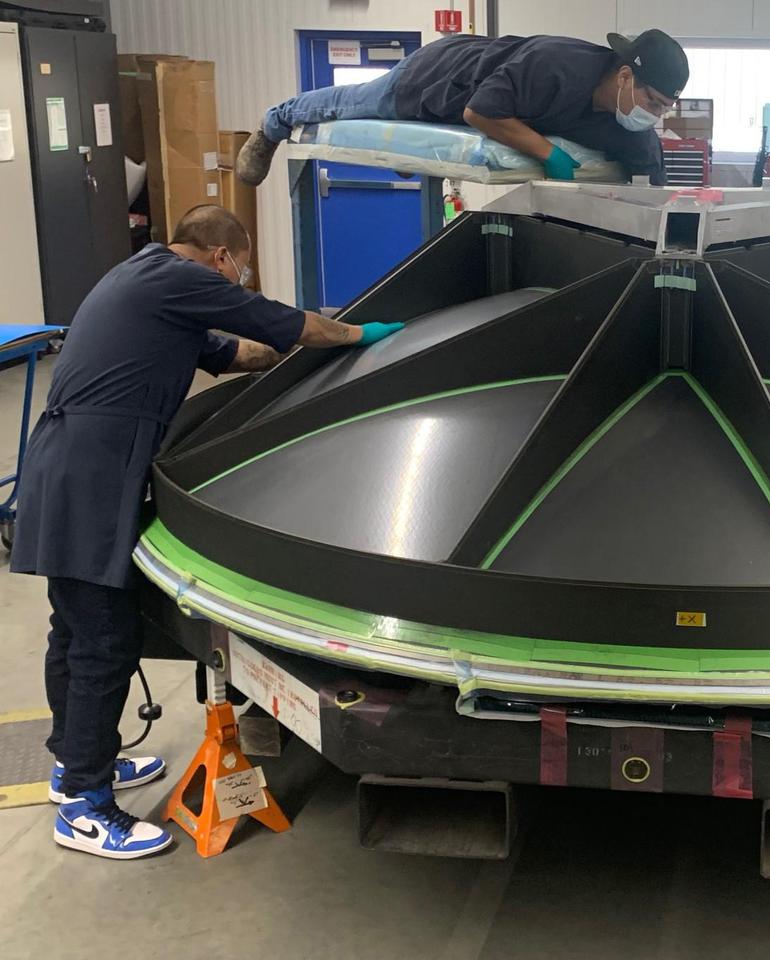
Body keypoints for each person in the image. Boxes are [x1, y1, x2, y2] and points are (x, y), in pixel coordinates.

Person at [9, 205, 404, 861]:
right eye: (239, 266)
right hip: (89, 472)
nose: (239, 277)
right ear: (221, 256)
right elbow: (289, 323)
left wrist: (297, 367)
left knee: (74, 628)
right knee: (101, 637)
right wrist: (359, 334)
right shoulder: (178, 278)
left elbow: (245, 351)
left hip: (71, 463)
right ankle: (83, 805)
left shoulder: (151, 289)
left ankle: (75, 763)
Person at [237, 29, 688, 187]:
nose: (654, 115)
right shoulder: (556, 66)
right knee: (358, 102)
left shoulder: (628, 126)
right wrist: (547, 153)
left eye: (665, 108)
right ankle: (273, 122)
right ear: (625, 76)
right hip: (440, 73)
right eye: (652, 101)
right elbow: (480, 112)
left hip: (489, 93)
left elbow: (652, 174)